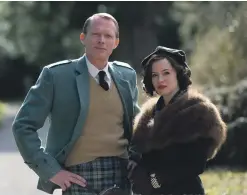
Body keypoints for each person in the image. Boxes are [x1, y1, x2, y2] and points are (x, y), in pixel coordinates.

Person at [12, 13, 140, 195]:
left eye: (108, 36)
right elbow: (23, 126)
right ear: (83, 38)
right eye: (96, 34)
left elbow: (138, 125)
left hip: (121, 174)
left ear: (116, 42)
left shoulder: (126, 75)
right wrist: (51, 171)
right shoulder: (56, 76)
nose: (101, 40)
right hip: (77, 176)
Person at [128, 46, 227, 195]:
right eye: (154, 75)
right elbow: (140, 155)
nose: (160, 79)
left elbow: (195, 164)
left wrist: (156, 180)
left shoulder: (198, 111)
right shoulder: (148, 115)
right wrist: (136, 169)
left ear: (178, 74)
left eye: (166, 73)